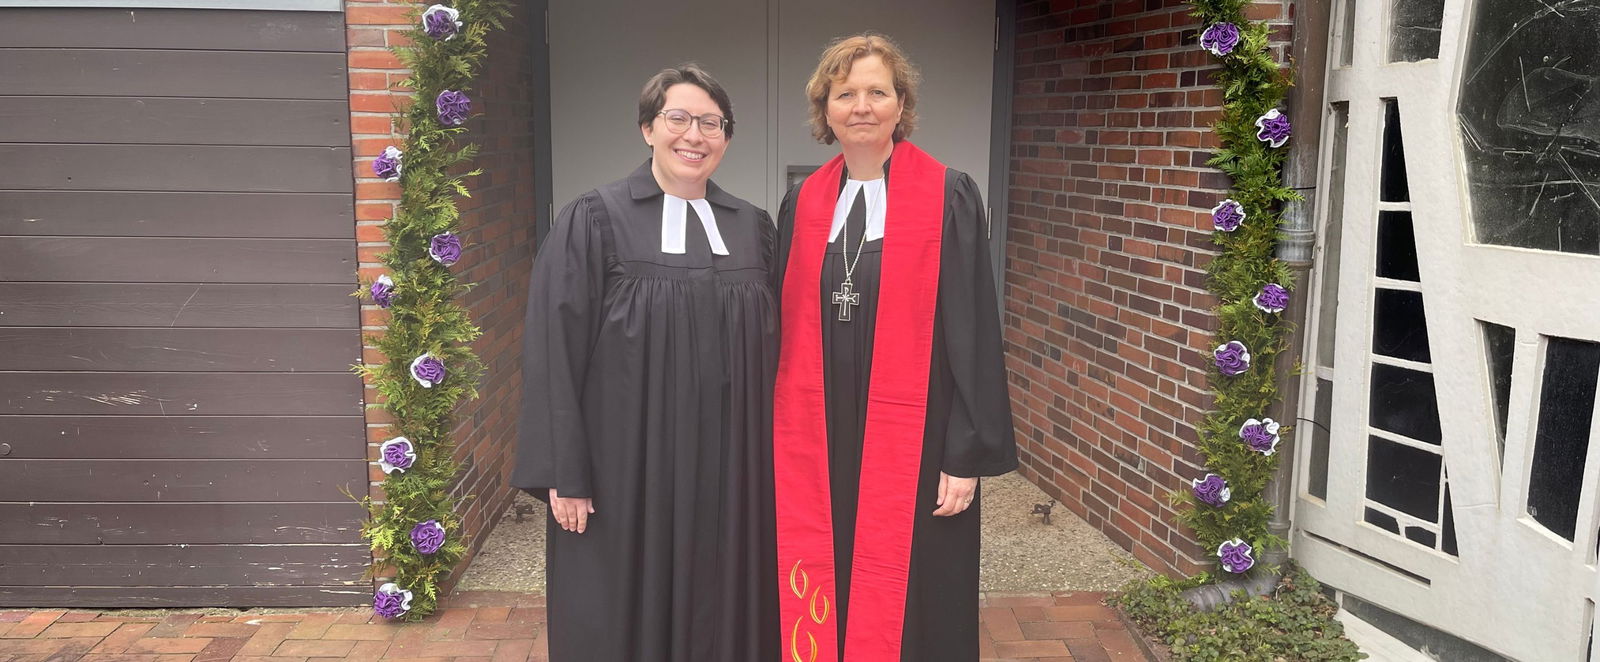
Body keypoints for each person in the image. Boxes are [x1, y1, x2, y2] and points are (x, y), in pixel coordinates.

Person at [511, 64, 777, 662]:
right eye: (677, 118)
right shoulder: (594, 219)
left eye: (712, 123)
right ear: (647, 129)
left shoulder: (753, 229)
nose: (695, 135)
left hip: (732, 473)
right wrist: (565, 471)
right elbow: (554, 351)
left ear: (727, 138)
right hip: (625, 471)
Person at [772, 33, 1019, 662]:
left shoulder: (948, 194)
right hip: (822, 434)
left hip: (919, 434)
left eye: (877, 92)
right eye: (845, 93)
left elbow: (973, 330)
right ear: (824, 108)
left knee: (915, 585)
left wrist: (964, 453)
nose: (861, 106)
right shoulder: (803, 202)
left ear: (900, 103)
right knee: (827, 558)